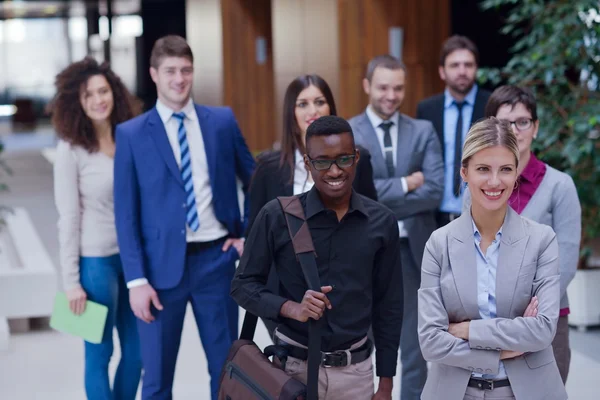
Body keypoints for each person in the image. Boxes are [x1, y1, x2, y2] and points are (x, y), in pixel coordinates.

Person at [113, 35, 255, 399]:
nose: (179, 78)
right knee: (157, 379)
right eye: (171, 71)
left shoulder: (221, 121)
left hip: (217, 262)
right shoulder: (130, 134)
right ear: (154, 75)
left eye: (186, 70)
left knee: (225, 372)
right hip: (158, 274)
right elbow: (125, 213)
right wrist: (136, 281)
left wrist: (247, 237)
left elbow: (257, 181)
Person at [231, 116, 404, 400]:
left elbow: (389, 306)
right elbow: (242, 285)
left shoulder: (382, 222)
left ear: (356, 158)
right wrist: (291, 308)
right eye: (322, 162)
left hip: (357, 374)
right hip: (291, 373)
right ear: (307, 164)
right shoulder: (276, 216)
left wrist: (385, 384)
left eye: (344, 159)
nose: (335, 170)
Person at [418, 117, 567, 400]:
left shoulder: (541, 240)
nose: (495, 181)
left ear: (516, 173)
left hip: (527, 392)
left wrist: (466, 330)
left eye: (506, 169)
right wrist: (503, 351)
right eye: (483, 169)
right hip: (454, 392)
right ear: (464, 172)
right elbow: (430, 342)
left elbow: (542, 330)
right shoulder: (439, 244)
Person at [462, 85, 581, 383]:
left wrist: (533, 310)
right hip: (487, 318)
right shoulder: (477, 186)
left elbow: (564, 262)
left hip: (545, 318)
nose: (514, 130)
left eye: (523, 121)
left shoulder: (559, 185)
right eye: (504, 123)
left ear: (536, 127)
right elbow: (467, 250)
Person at [247, 74, 378, 337]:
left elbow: (369, 224)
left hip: (346, 291)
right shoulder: (269, 168)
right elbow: (255, 237)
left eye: (320, 102)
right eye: (303, 104)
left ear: (330, 107)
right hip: (286, 301)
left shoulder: (357, 160)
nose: (313, 110)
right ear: (290, 112)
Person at [349, 54, 444, 400]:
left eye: (398, 88)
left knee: (415, 345)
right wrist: (406, 184)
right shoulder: (348, 132)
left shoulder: (422, 131)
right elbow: (352, 193)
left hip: (413, 252)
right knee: (361, 343)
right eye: (383, 87)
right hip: (363, 251)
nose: (391, 95)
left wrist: (376, 195)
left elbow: (434, 190)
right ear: (367, 86)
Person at [51, 56, 143, 400]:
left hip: (133, 262)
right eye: (88, 95)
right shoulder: (70, 150)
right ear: (77, 101)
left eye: (103, 91)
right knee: (100, 353)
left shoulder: (129, 138)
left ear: (115, 94)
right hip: (95, 264)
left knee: (137, 353)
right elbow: (68, 218)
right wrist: (71, 282)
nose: (98, 100)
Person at [416, 35, 491, 227]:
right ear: (442, 71)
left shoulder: (491, 106)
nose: (462, 71)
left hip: (481, 214)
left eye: (468, 65)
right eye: (455, 65)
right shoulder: (426, 109)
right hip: (434, 216)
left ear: (476, 69)